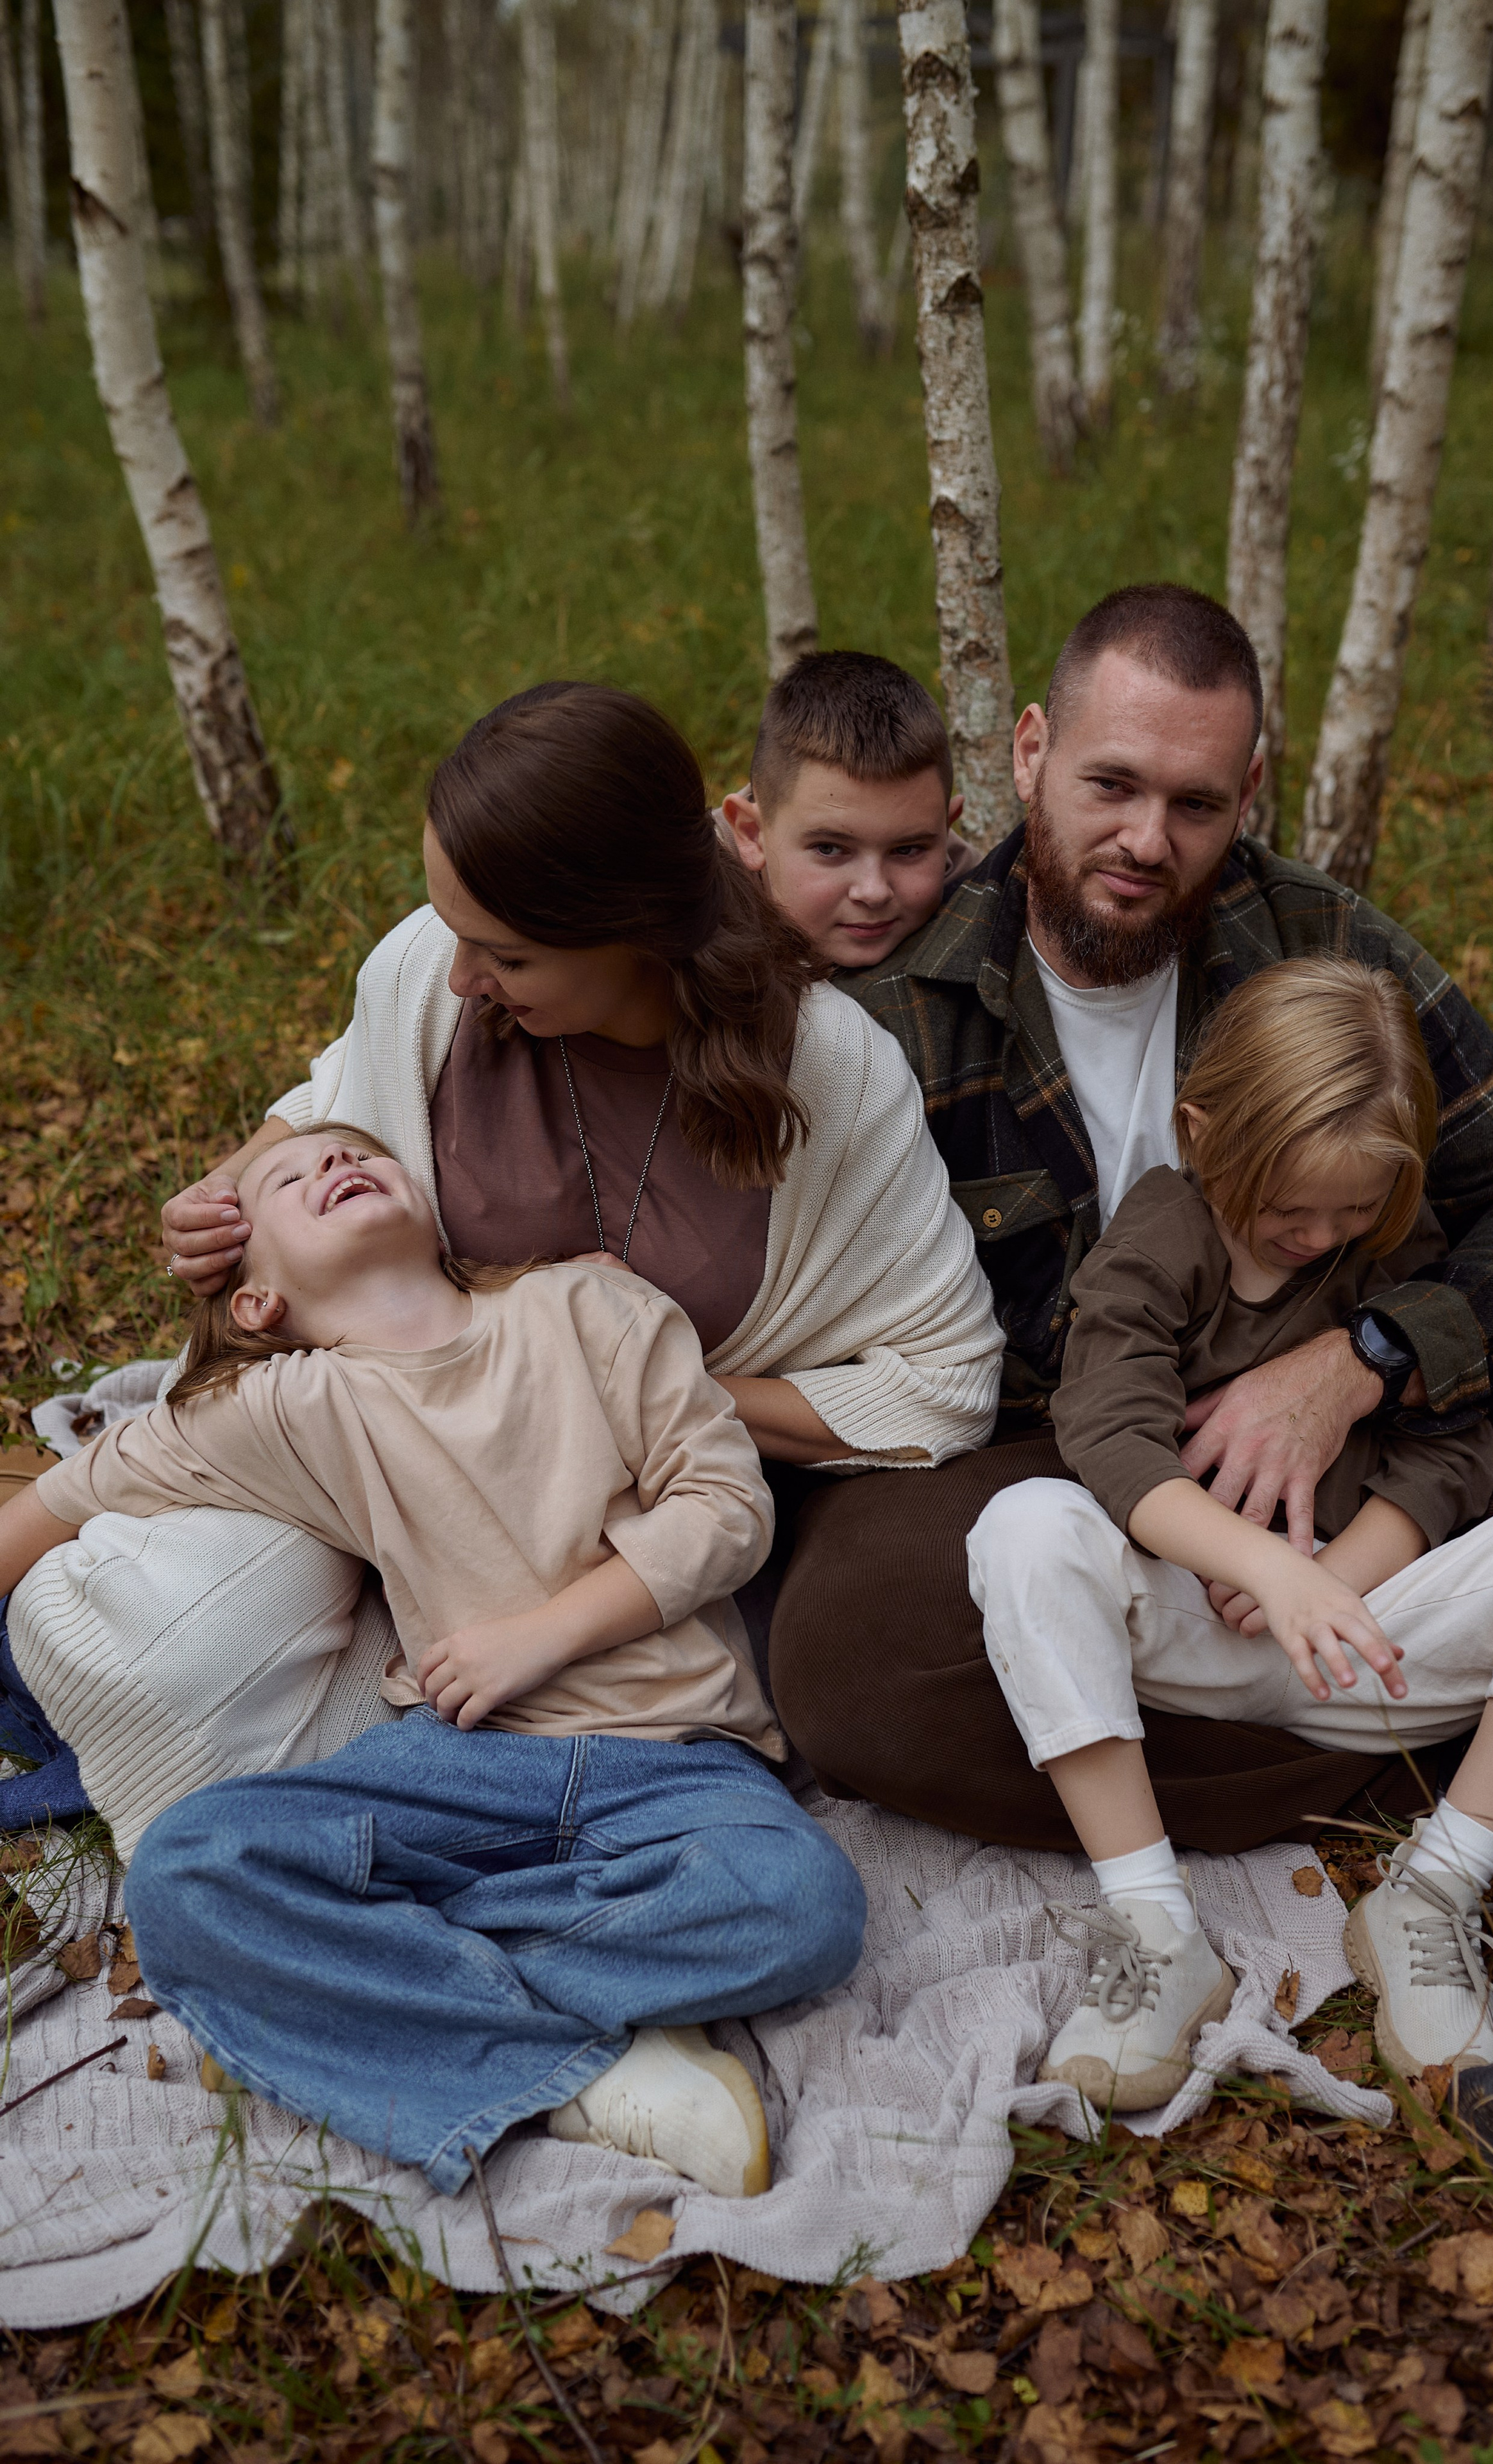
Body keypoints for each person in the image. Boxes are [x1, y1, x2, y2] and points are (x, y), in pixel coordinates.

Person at [767, 584, 1493, 2161]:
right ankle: (1384, 1754)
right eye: (1107, 784)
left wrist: (1362, 1357)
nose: (1143, 838)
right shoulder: (896, 997)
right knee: (838, 1649)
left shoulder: (1309, 943)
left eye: (1189, 800)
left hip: (1363, 1467)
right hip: (1053, 1466)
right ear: (1029, 753)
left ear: (1244, 796)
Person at [6, 683, 1001, 1854]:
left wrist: (625, 1391)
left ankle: (425, 1821)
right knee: (153, 1632)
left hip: (662, 1520)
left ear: (636, 932)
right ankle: (316, 1817)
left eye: (507, 953)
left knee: (762, 1735)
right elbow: (331, 1103)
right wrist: (225, 1198)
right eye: (458, 931)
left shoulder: (833, 1077)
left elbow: (944, 1382)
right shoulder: (433, 977)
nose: (464, 974)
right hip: (393, 1475)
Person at [0, 1123, 867, 2198]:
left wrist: (538, 1636)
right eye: (288, 1173)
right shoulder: (285, 1407)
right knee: (187, 1870)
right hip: (464, 1770)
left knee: (803, 1902)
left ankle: (352, 1999)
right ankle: (592, 2075)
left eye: (354, 1152)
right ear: (255, 1300)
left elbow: (728, 1508)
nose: (330, 1165)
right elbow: (60, 1498)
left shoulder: (592, 1309)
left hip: (681, 1761)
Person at [968, 959, 1493, 2106]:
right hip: (1184, 1624)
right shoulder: (1161, 1234)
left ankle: (1430, 1891)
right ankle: (1154, 1928)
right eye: (1291, 1208)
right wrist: (1264, 1567)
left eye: (1352, 1211)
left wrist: (1335, 1583)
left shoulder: (1392, 1246)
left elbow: (1449, 1449)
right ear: (1201, 1130)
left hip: (1359, 1636)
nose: (1320, 1235)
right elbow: (1111, 1433)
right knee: (1025, 1528)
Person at [720, 650, 972, 972]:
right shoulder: (681, 920)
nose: (874, 892)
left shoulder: (982, 904)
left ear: (947, 828)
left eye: (907, 850)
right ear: (752, 835)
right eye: (829, 849)